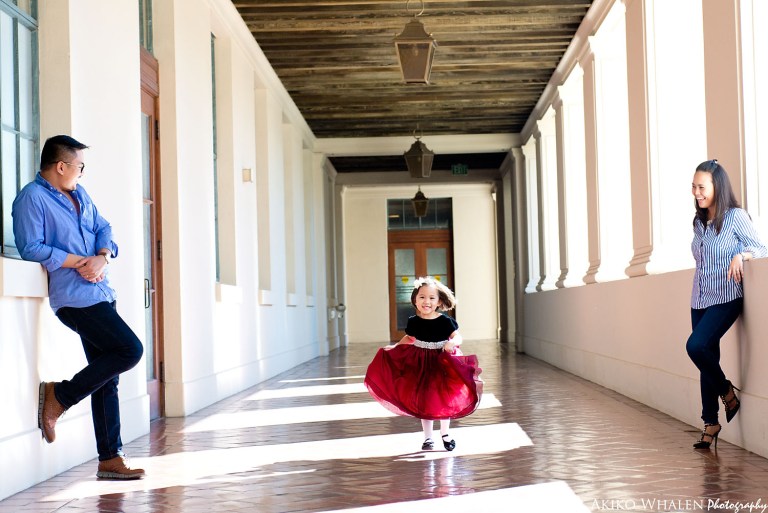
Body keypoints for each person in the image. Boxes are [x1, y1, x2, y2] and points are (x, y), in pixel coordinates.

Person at [12, 135, 145, 479]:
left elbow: (104, 228)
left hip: (101, 292)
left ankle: (110, 458)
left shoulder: (80, 194)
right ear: (61, 166)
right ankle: (60, 396)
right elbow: (30, 247)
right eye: (79, 166)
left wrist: (102, 256)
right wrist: (77, 261)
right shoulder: (32, 198)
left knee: (108, 375)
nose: (82, 173)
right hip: (74, 298)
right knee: (130, 350)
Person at [687, 159, 766, 449]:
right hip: (699, 298)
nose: (696, 192)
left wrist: (740, 255)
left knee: (696, 347)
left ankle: (727, 391)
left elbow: (761, 247)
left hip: (726, 297)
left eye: (702, 187)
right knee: (706, 359)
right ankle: (710, 422)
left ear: (717, 187)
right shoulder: (699, 222)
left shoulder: (735, 217)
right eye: (693, 187)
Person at [364, 277, 483, 452]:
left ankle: (445, 434)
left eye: (432, 298)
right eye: (422, 297)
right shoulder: (414, 321)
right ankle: (428, 438)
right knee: (425, 400)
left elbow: (458, 336)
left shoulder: (444, 321)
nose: (426, 301)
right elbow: (409, 338)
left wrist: (451, 343)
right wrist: (396, 347)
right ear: (415, 299)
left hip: (441, 362)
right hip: (420, 364)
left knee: (444, 398)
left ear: (439, 301)